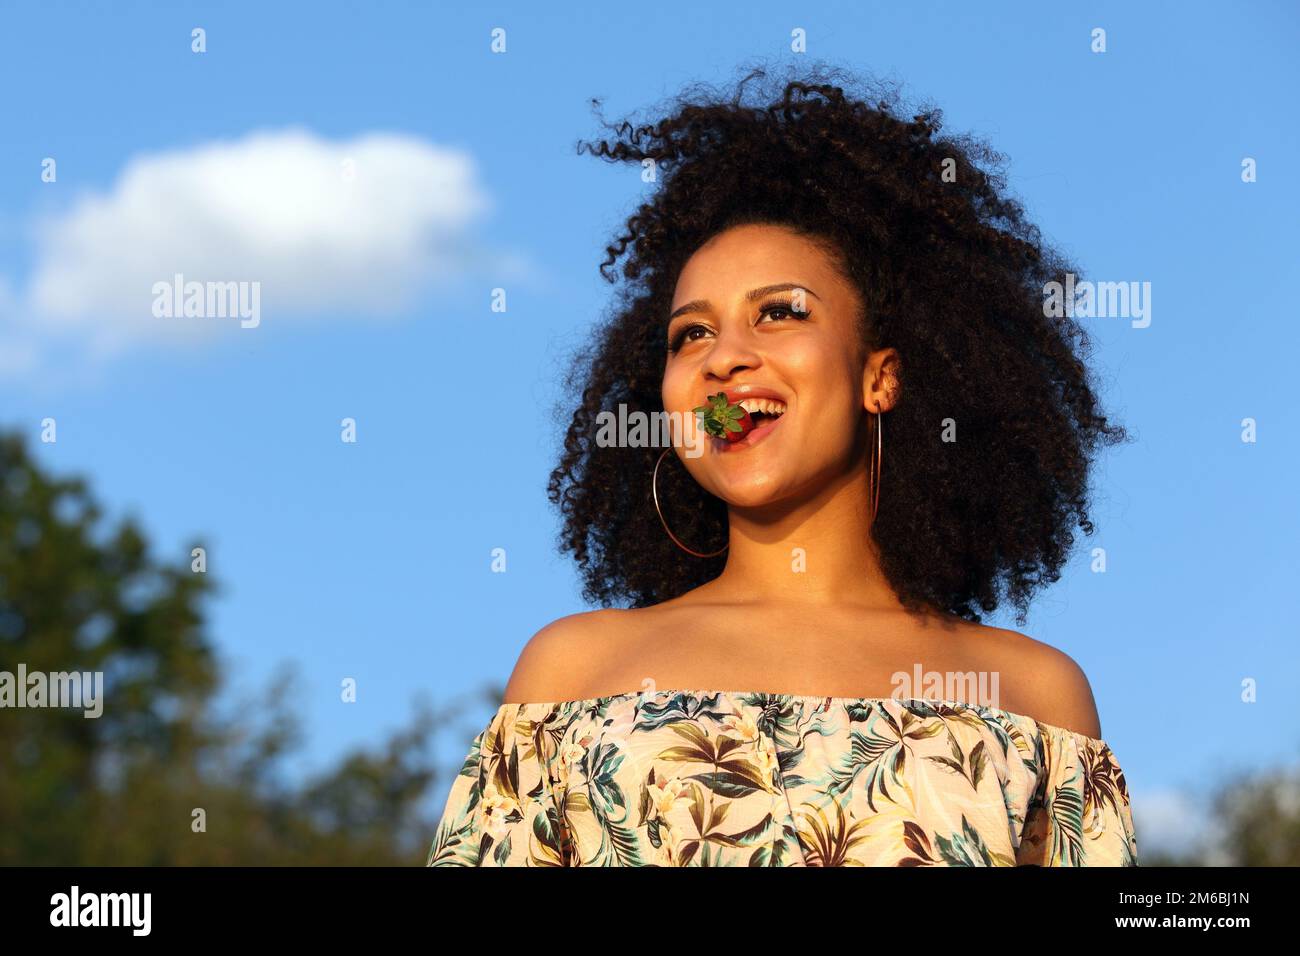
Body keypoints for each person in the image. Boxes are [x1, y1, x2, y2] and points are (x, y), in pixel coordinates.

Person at [427, 63, 1138, 867]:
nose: (725, 356)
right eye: (690, 334)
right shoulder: (573, 674)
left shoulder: (1034, 700)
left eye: (779, 313)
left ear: (882, 375)